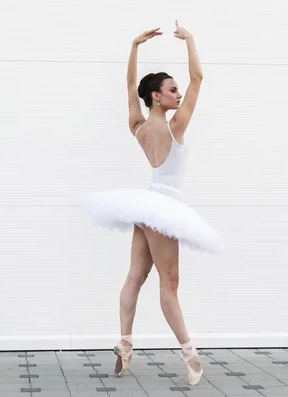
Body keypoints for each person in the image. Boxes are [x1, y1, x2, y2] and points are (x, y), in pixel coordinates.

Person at [80, 21, 227, 386]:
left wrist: (134, 46)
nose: (179, 94)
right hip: (163, 208)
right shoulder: (175, 127)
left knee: (137, 275)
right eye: (172, 90)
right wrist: (190, 39)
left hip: (146, 206)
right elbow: (199, 78)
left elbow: (130, 86)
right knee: (169, 282)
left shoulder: (138, 126)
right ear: (157, 97)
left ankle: (125, 344)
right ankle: (190, 354)